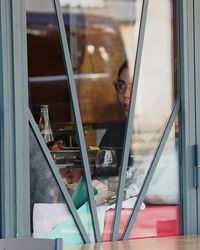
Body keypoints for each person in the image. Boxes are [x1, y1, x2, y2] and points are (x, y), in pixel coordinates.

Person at [99, 60, 132, 166]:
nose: (126, 94)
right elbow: (102, 174)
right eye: (121, 86)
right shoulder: (112, 136)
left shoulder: (169, 135)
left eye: (135, 86)